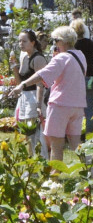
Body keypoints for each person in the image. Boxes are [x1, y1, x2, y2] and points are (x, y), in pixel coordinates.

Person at [9, 25, 86, 163]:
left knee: (56, 146)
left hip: (60, 104)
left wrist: (23, 84)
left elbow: (42, 74)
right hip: (78, 104)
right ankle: (91, 174)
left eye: (55, 40)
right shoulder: (80, 56)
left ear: (63, 41)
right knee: (77, 145)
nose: (54, 44)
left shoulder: (61, 58)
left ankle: (54, 180)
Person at [9, 29, 48, 157]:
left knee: (35, 133)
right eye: (19, 41)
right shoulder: (25, 57)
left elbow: (41, 84)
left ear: (32, 42)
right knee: (27, 132)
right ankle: (31, 160)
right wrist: (14, 67)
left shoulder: (38, 59)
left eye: (24, 41)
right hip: (25, 97)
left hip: (34, 97)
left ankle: (40, 160)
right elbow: (21, 81)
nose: (21, 44)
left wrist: (38, 105)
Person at [71, 18, 93, 133]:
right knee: (90, 109)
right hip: (90, 79)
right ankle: (89, 133)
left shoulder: (72, 46)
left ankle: (73, 133)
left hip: (76, 80)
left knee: (73, 108)